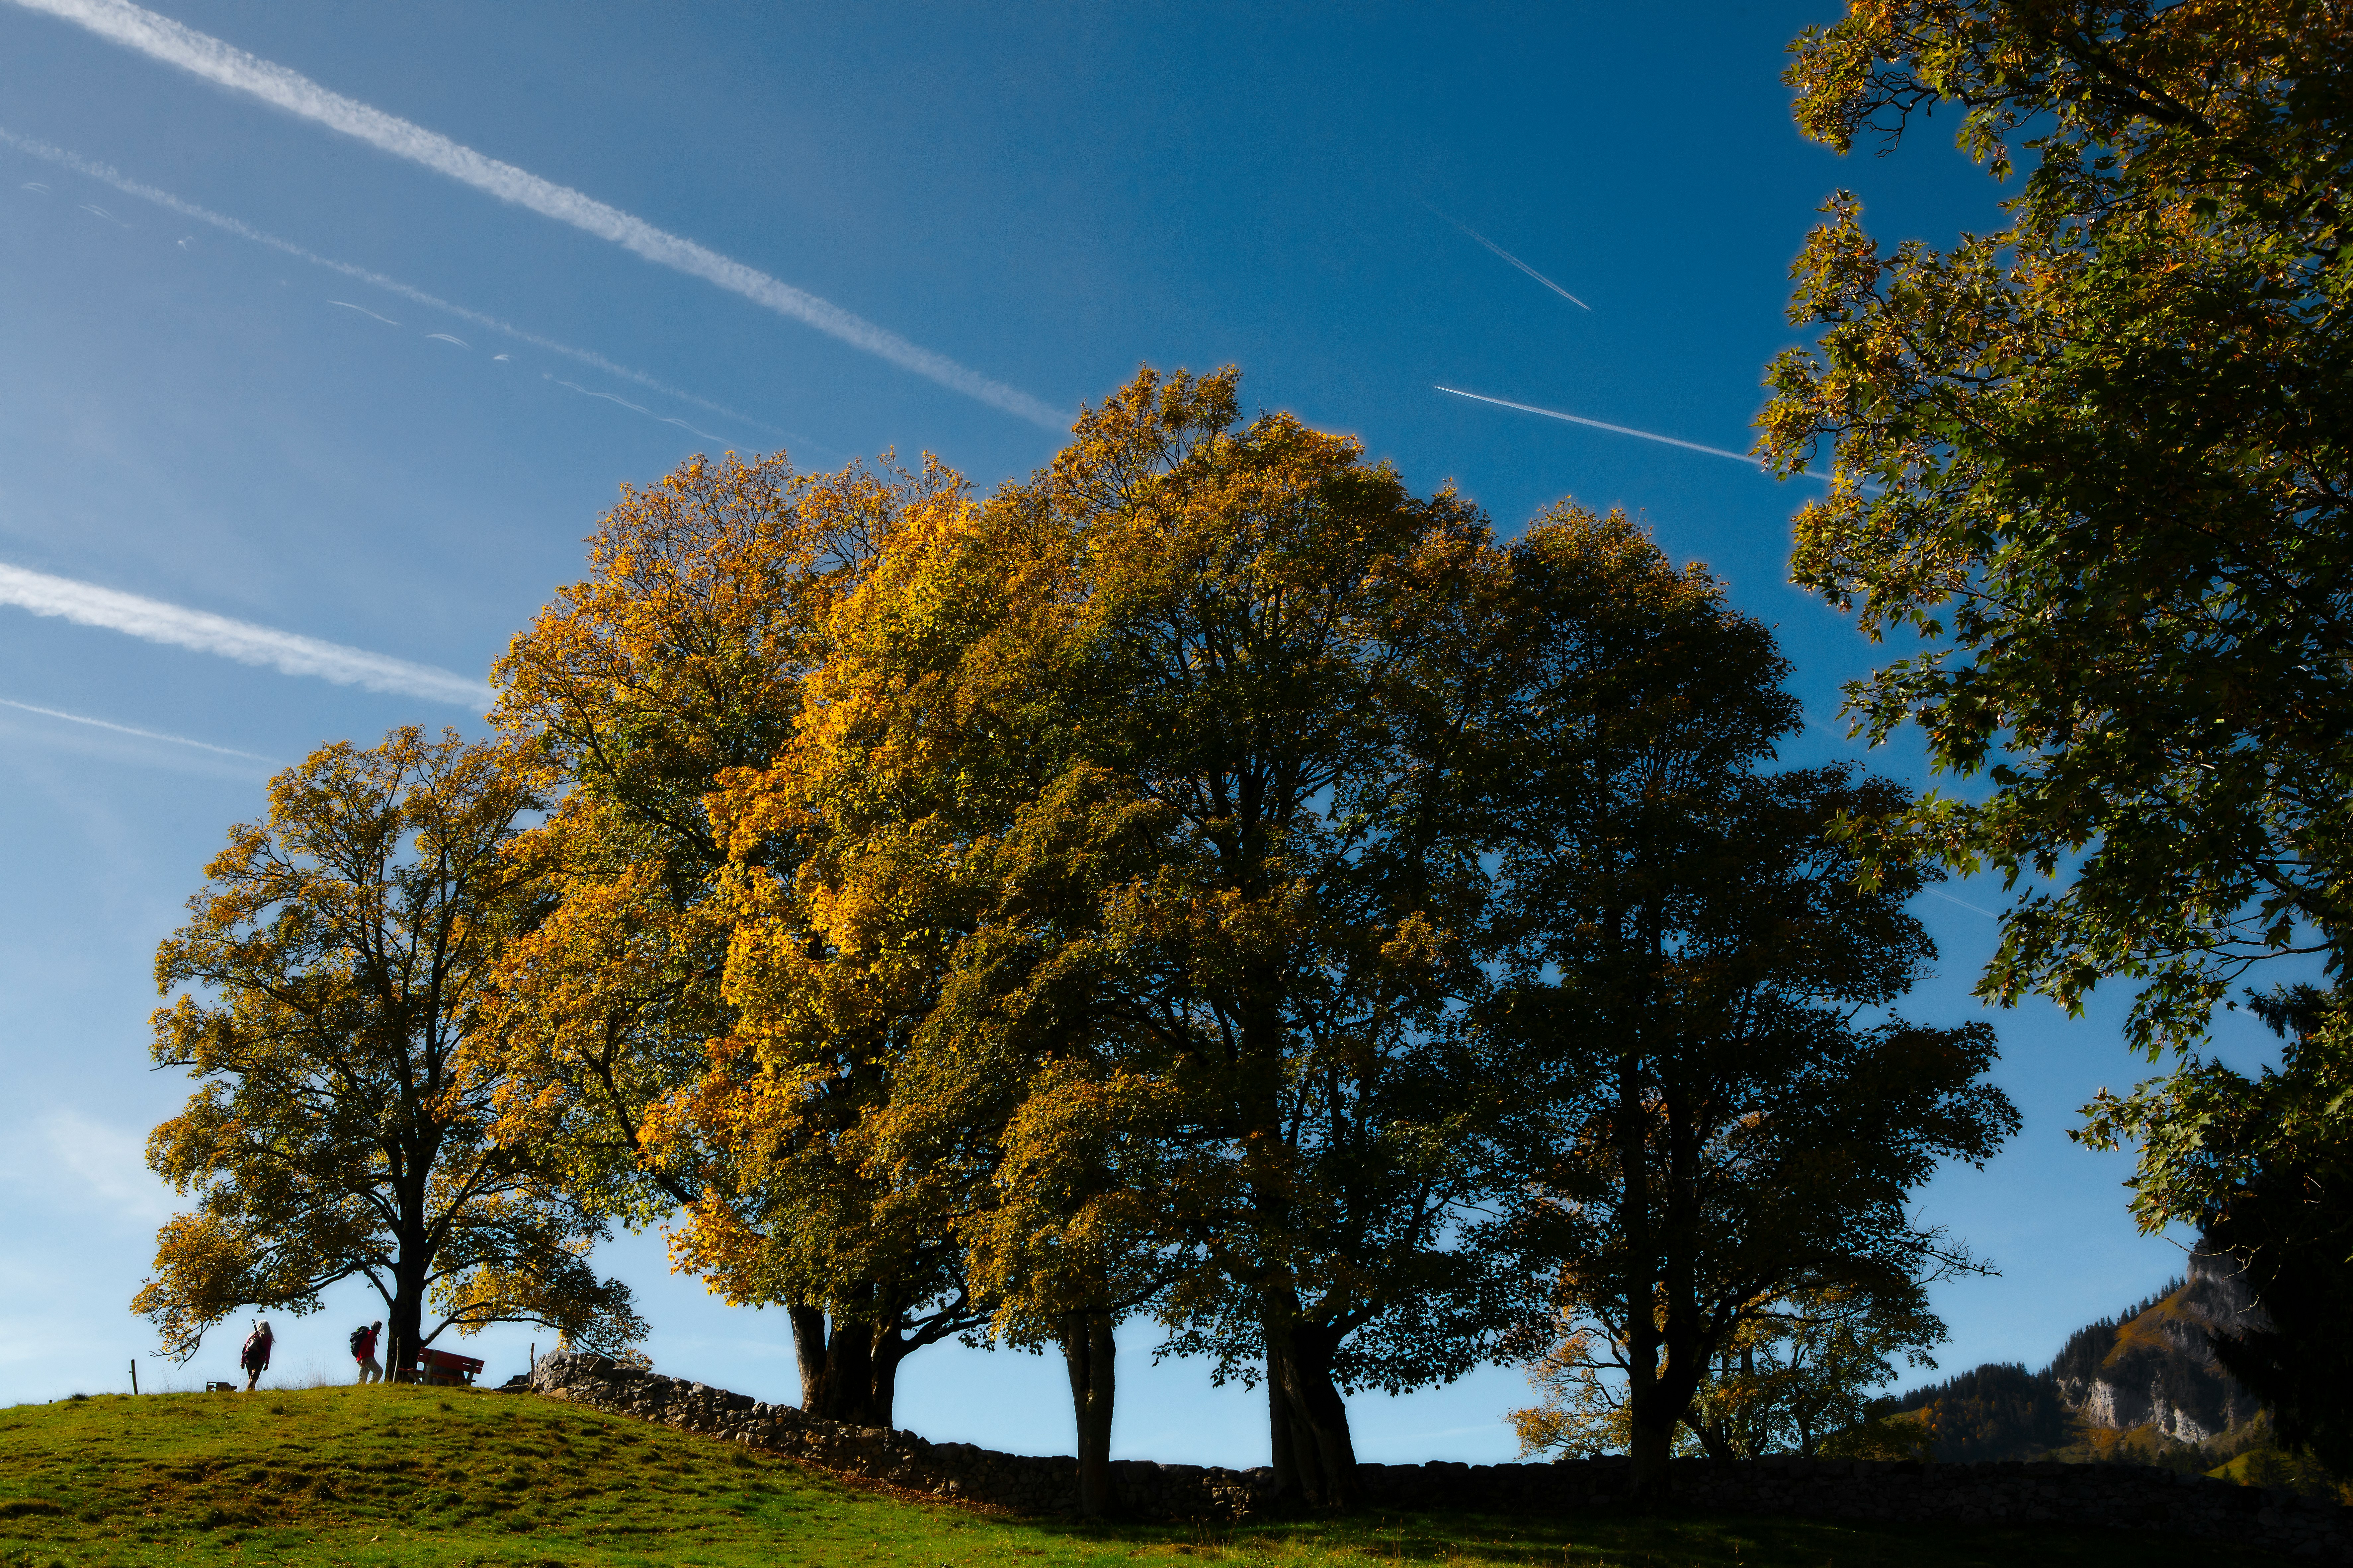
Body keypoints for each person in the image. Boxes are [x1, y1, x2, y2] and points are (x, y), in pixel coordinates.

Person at [240, 1320, 274, 1392]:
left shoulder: (251, 1335)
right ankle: (248, 1393)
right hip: (259, 1359)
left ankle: (251, 1393)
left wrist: (242, 1361)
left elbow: (245, 1348)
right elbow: (268, 1351)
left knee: (251, 1377)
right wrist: (267, 1363)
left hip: (248, 1359)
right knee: (254, 1378)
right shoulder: (267, 1336)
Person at [350, 1320, 383, 1384]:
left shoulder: (370, 1334)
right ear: (379, 1329)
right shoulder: (371, 1334)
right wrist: (363, 1358)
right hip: (366, 1358)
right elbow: (363, 1345)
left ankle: (361, 1390)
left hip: (362, 1358)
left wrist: (362, 1358)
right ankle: (371, 1386)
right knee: (379, 1371)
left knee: (362, 1381)